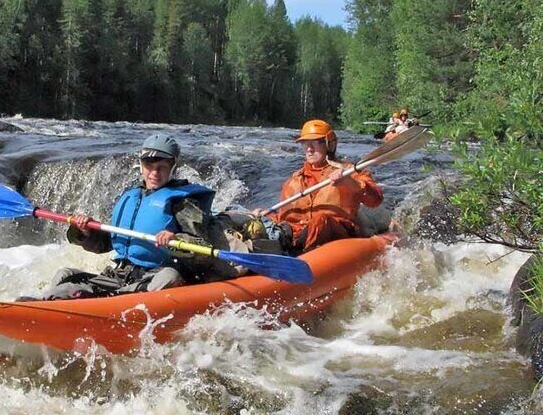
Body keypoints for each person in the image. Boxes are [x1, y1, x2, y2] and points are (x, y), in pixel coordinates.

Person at [34, 133, 236, 300]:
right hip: (119, 277)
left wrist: (175, 240)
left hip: (153, 277)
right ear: (141, 166)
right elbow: (109, 243)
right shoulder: (131, 197)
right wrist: (86, 232)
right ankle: (48, 305)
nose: (154, 173)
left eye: (161, 168)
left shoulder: (183, 203)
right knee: (65, 274)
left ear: (172, 168)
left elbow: (203, 248)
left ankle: (116, 306)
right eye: (149, 166)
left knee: (170, 275)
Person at [252, 119, 384, 254]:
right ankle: (270, 247)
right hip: (299, 233)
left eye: (315, 143)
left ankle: (292, 251)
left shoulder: (350, 171)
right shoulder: (293, 180)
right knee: (261, 221)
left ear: (329, 144)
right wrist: (264, 217)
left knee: (321, 221)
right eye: (305, 144)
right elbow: (283, 217)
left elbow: (376, 200)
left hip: (338, 231)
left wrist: (350, 182)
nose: (309, 149)